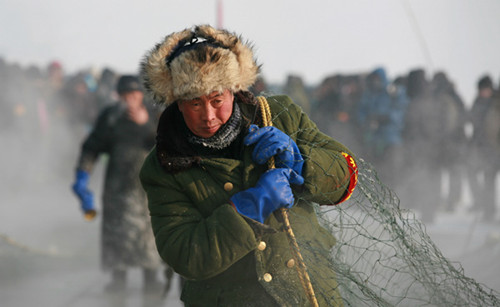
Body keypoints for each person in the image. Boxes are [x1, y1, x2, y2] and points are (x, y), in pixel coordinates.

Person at [139, 25, 358, 306]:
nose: (208, 115)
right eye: (195, 104)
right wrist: (249, 208)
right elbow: (185, 255)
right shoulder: (164, 165)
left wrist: (302, 163)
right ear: (178, 104)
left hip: (309, 293)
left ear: (233, 91)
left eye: (217, 100)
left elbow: (346, 174)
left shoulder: (280, 116)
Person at [71, 75, 165, 293]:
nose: (129, 100)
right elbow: (92, 146)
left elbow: (166, 146)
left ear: (141, 95)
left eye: (133, 95)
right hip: (117, 183)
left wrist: (146, 125)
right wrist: (82, 174)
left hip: (147, 185)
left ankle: (151, 279)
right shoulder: (110, 117)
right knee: (116, 232)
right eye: (124, 96)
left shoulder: (153, 114)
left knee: (148, 233)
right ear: (118, 96)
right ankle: (118, 279)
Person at [467, 75, 500, 221]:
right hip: (484, 149)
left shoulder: (495, 103)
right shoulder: (478, 102)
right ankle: (488, 211)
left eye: (485, 89)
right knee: (488, 180)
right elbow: (472, 119)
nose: (482, 92)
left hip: (495, 147)